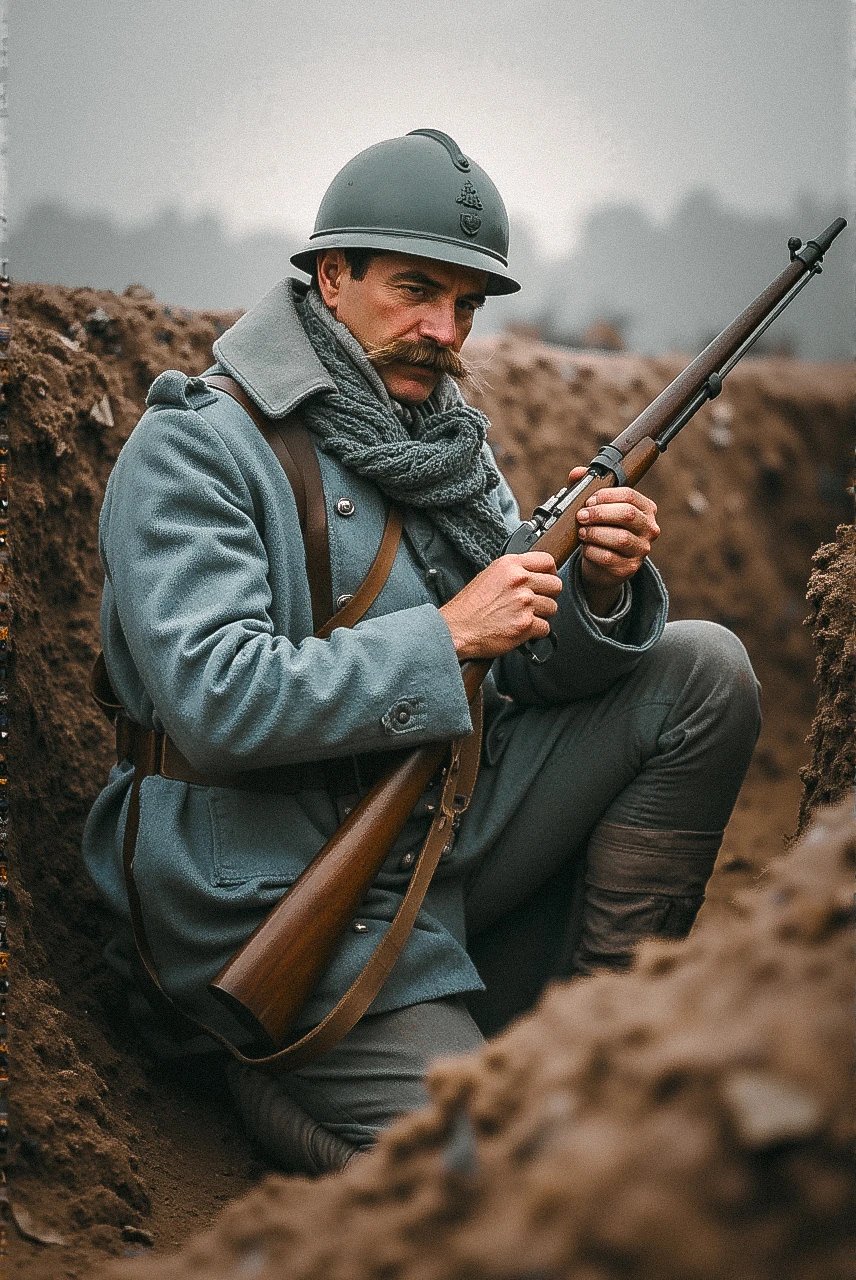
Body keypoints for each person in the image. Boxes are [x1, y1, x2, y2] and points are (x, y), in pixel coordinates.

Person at [83, 129, 760, 1174]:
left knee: (701, 672)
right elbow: (215, 700)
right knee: (498, 1173)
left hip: (425, 831)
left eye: (465, 306)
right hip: (263, 882)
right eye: (414, 290)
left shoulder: (444, 443)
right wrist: (445, 637)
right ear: (331, 274)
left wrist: (592, 591)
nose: (440, 330)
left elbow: (518, 670)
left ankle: (598, 1046)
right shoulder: (197, 446)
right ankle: (266, 1081)